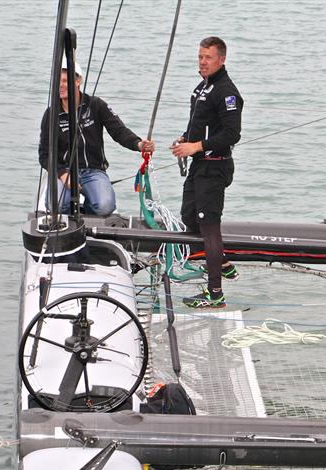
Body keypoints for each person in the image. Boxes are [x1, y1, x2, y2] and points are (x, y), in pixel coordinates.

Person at [171, 36, 243, 309]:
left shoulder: (227, 92)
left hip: (215, 167)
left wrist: (196, 146)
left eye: (208, 57)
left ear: (221, 59)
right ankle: (223, 264)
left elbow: (231, 134)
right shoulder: (202, 88)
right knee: (189, 217)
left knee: (209, 227)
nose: (202, 62)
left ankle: (215, 294)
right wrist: (183, 140)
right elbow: (201, 124)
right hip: (199, 165)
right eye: (200, 56)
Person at [38, 61, 155, 216]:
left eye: (65, 81)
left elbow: (119, 131)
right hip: (64, 171)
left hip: (93, 171)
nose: (61, 85)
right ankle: (69, 216)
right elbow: (44, 154)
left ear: (78, 81)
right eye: (58, 81)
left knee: (105, 206)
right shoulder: (51, 114)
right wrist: (62, 173)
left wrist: (139, 144)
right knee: (55, 206)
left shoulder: (96, 105)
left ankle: (88, 211)